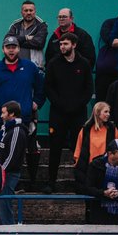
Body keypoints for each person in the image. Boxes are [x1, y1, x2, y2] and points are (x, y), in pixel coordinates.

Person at [42, 31, 93, 193]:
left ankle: (80, 182)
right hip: (58, 113)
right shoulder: (53, 63)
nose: (62, 47)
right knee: (55, 148)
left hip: (78, 114)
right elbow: (49, 88)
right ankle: (51, 182)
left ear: (74, 45)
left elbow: (88, 89)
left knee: (79, 149)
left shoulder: (84, 64)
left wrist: (77, 105)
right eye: (60, 44)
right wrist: (60, 104)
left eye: (65, 44)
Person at [0, 36, 44, 131]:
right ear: (3, 49)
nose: (11, 50)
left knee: (21, 145)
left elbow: (41, 86)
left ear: (19, 49)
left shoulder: (30, 66)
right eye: (8, 47)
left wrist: (37, 102)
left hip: (23, 118)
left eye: (14, 47)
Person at [0, 102, 32, 224]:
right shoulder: (6, 129)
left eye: (3, 113)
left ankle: (8, 228)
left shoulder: (16, 131)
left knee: (4, 201)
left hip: (9, 173)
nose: (1, 116)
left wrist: (0, 171)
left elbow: (11, 157)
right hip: (3, 172)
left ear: (12, 114)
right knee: (2, 201)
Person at [83, 138, 118, 225]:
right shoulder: (95, 165)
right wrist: (103, 193)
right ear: (110, 153)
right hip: (98, 213)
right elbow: (88, 187)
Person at [72, 102, 117, 189]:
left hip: (107, 169)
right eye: (106, 112)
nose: (108, 114)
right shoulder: (86, 129)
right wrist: (78, 163)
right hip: (89, 170)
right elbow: (78, 148)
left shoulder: (112, 129)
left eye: (109, 112)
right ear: (98, 112)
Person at [5, 0, 48, 69]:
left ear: (35, 12)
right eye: (26, 10)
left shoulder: (41, 25)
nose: (28, 13)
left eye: (31, 10)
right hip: (16, 66)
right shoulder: (15, 25)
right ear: (21, 12)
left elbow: (39, 43)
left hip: (35, 67)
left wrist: (16, 42)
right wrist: (26, 38)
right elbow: (7, 40)